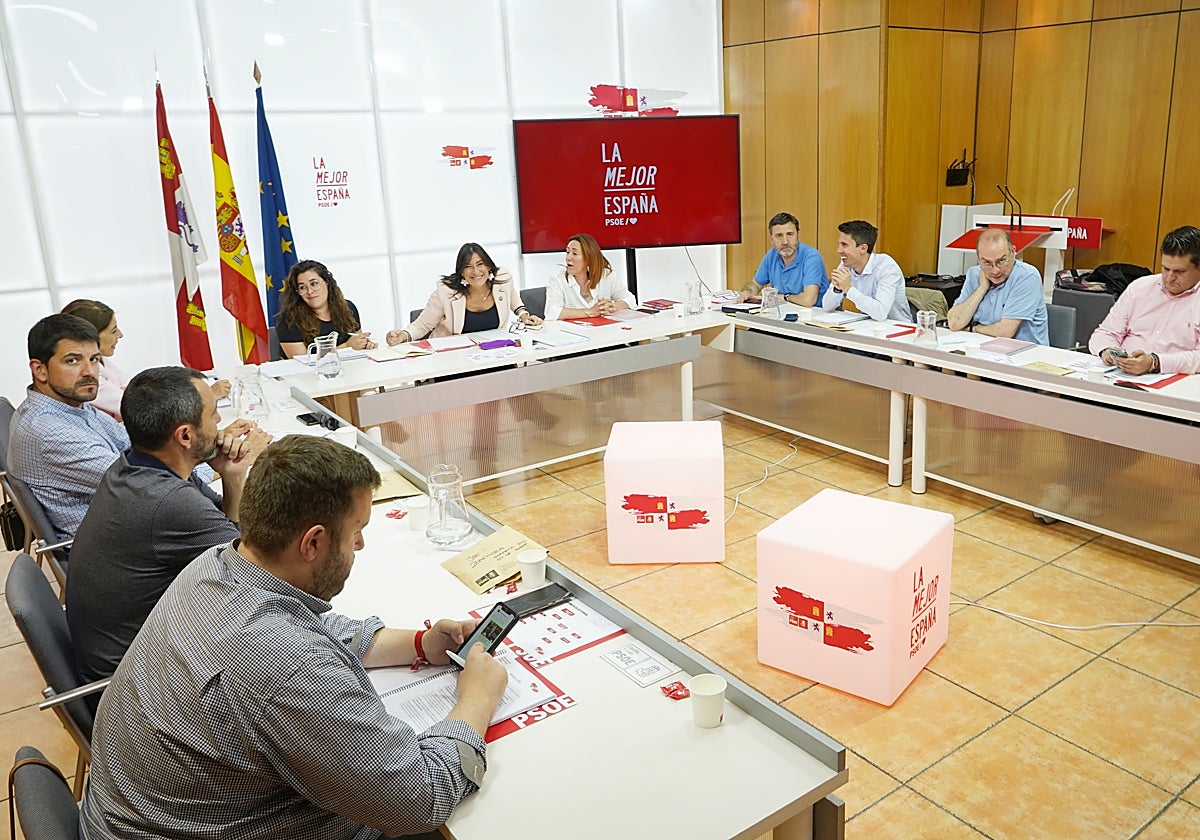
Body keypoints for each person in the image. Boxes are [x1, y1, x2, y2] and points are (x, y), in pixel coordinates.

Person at [79, 435, 509, 839]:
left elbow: (315, 629)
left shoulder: (217, 565)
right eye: (356, 529)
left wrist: (419, 643)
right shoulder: (283, 661)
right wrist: (476, 698)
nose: (359, 544)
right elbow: (420, 798)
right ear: (313, 542)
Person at [66, 366, 271, 684]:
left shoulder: (135, 464)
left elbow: (226, 536)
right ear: (186, 436)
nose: (219, 424)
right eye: (213, 414)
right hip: (142, 683)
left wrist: (232, 475)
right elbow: (253, 571)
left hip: (134, 651)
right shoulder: (170, 501)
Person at [6, 314, 129, 540]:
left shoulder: (72, 405)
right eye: (72, 360)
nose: (89, 372)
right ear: (39, 369)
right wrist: (201, 457)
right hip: (118, 548)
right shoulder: (48, 431)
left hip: (126, 524)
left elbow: (126, 441)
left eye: (94, 359)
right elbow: (138, 483)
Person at [60, 298, 231, 420]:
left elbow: (136, 391)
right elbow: (141, 407)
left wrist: (130, 394)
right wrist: (208, 396)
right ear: (91, 337)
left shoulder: (102, 362)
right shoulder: (87, 377)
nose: (120, 335)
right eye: (113, 331)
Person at [1089, 224, 1200, 374]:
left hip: (1172, 382)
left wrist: (1155, 362)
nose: (1169, 278)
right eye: (1165, 269)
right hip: (1120, 374)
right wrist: (1107, 350)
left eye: (1179, 271)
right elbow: (1105, 332)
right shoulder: (1140, 287)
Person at [386, 243, 542, 344]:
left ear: (488, 266)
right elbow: (422, 325)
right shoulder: (445, 292)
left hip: (494, 353)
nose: (475, 271)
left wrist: (525, 317)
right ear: (461, 272)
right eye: (468, 267)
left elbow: (514, 301)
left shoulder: (502, 280)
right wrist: (403, 336)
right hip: (454, 360)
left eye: (480, 264)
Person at [946, 228, 1049, 344]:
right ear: (978, 258)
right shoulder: (974, 274)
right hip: (980, 348)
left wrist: (973, 328)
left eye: (1001, 261)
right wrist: (982, 289)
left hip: (1023, 354)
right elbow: (954, 323)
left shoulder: (1027, 276)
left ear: (1013, 253)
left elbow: (1005, 332)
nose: (995, 271)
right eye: (987, 263)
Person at [276, 259, 377, 358]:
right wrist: (346, 346)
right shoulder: (289, 319)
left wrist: (364, 344)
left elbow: (356, 343)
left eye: (314, 284)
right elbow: (302, 362)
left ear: (327, 282)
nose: (310, 291)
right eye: (302, 287)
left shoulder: (348, 308)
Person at [821, 220, 913, 322]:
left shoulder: (886, 266)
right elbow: (827, 307)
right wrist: (837, 289)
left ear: (863, 249)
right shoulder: (846, 264)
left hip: (898, 330)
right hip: (868, 326)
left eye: (844, 245)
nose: (839, 250)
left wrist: (848, 289)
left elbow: (880, 313)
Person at [739, 211, 829, 306]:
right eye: (779, 236)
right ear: (771, 239)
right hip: (783, 312)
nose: (785, 242)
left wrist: (785, 297)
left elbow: (808, 301)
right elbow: (755, 284)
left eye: (790, 234)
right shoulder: (771, 255)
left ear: (798, 235)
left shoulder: (811, 256)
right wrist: (747, 293)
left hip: (811, 315)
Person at [544, 233, 637, 320]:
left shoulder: (606, 275)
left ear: (589, 258)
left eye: (574, 253)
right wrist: (589, 312)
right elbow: (551, 312)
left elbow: (631, 299)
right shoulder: (558, 279)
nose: (568, 257)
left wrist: (611, 307)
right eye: (568, 252)